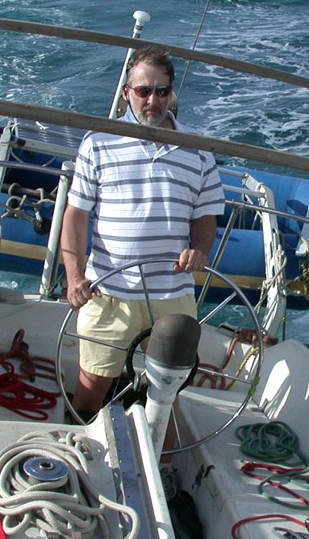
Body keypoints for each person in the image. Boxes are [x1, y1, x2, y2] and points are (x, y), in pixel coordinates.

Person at [61, 46, 225, 418]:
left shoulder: (199, 150)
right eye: (143, 91)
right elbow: (76, 215)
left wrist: (200, 249)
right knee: (91, 389)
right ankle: (78, 444)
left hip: (173, 293)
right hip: (108, 291)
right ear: (126, 93)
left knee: (168, 396)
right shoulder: (98, 142)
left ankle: (162, 453)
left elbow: (205, 217)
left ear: (171, 93)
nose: (153, 100)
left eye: (162, 91)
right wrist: (74, 277)